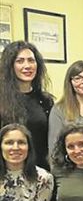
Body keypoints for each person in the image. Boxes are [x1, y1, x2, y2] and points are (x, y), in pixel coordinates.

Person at [0, 41, 55, 169]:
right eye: (20, 61)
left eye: (31, 60)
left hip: (40, 173)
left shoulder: (46, 101)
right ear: (10, 66)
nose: (27, 66)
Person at [0, 124, 53, 201]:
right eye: (9, 142)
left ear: (29, 147)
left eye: (21, 142)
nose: (15, 147)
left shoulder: (43, 178)